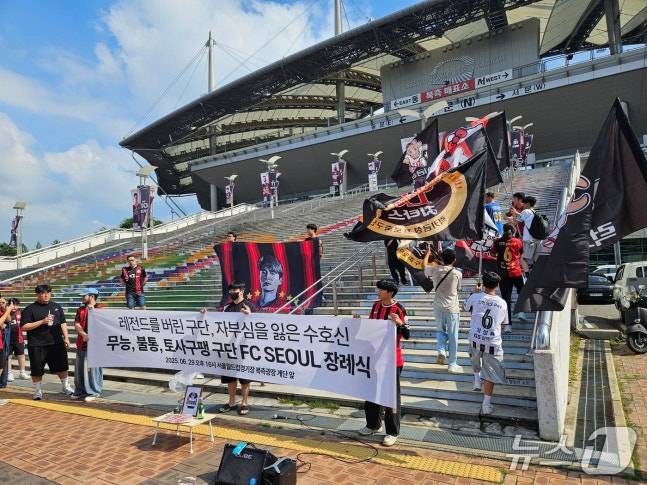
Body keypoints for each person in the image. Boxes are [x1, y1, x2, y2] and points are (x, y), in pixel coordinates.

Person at [358, 279, 410, 447]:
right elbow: (371, 328)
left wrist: (400, 324)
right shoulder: (375, 306)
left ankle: (392, 432)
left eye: (381, 289)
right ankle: (373, 425)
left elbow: (407, 334)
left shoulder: (399, 309)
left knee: (390, 396)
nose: (378, 292)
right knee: (371, 392)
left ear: (390, 292)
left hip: (392, 359)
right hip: (375, 358)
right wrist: (357, 323)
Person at [201, 281, 257, 415]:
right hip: (229, 347)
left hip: (244, 347)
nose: (232, 292)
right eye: (230, 290)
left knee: (244, 378)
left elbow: (257, 325)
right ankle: (231, 402)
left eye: (235, 290)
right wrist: (206, 315)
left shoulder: (250, 306)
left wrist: (250, 315)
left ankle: (244, 403)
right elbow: (219, 323)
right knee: (230, 377)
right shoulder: (227, 308)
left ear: (242, 291)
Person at [463, 272, 508, 415]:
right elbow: (503, 323)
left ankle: (477, 379)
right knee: (490, 373)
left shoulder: (475, 297)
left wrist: (475, 292)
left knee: (475, 358)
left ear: (483, 284)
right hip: (492, 342)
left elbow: (465, 308)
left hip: (475, 338)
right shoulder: (502, 303)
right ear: (498, 285)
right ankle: (486, 404)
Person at [21, 284, 73, 400]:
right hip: (37, 344)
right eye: (43, 293)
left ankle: (66, 387)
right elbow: (24, 327)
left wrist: (66, 337)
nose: (46, 295)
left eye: (48, 293)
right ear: (37, 294)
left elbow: (63, 322)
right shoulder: (30, 309)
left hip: (56, 342)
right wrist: (42, 321)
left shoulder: (56, 306)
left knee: (62, 366)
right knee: (37, 369)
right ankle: (38, 391)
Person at [423, 247, 462, 373]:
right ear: (454, 260)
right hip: (452, 308)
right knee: (453, 335)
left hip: (438, 306)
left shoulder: (434, 270)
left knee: (440, 331)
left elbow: (424, 267)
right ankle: (452, 363)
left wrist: (427, 254)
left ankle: (441, 350)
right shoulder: (457, 273)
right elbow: (458, 288)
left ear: (442, 258)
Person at [71, 288, 104, 402]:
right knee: (79, 369)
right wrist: (83, 334)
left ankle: (95, 391)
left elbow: (102, 324)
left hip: (95, 346)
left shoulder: (100, 308)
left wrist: (93, 311)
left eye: (84, 295)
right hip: (82, 343)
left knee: (94, 370)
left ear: (92, 296)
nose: (82, 297)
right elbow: (76, 323)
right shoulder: (80, 309)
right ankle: (79, 391)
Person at [494, 224, 527, 331]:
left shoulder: (497, 242)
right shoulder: (518, 241)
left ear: (503, 230)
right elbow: (521, 253)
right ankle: (520, 311)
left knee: (506, 299)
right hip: (516, 272)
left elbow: (493, 252)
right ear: (513, 231)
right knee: (522, 291)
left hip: (503, 274)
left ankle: (508, 325)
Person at [6, 298, 29, 382]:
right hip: (7, 339)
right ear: (8, 305)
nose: (14, 307)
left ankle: (22, 372)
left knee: (21, 355)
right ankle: (9, 373)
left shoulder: (21, 312)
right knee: (8, 356)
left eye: (16, 305)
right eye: (12, 305)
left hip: (19, 338)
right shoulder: (6, 312)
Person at [517, 196, 539, 270]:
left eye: (524, 203)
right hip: (535, 239)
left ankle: (527, 275)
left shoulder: (525, 211)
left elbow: (516, 222)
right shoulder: (534, 212)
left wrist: (514, 213)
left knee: (523, 259)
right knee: (532, 260)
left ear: (528, 204)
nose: (522, 205)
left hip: (528, 240)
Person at [0, 299, 16, 388]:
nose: (1, 303)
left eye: (3, 302)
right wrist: (8, 310)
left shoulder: (3, 310)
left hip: (3, 339)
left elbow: (9, 319)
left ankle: (3, 382)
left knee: (3, 361)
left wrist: (6, 309)